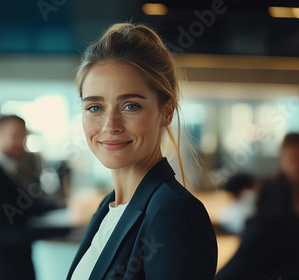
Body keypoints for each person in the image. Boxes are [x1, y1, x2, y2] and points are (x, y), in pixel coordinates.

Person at [66, 23, 218, 280]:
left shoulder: (176, 215)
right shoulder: (109, 207)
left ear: (166, 111)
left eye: (130, 106)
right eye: (95, 107)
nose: (110, 125)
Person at [0, 115, 66, 280]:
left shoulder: (10, 167)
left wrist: (64, 207)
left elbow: (26, 206)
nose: (20, 143)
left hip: (14, 267)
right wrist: (61, 230)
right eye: (15, 135)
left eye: (23, 137)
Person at [215, 133, 299, 280]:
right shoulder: (272, 191)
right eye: (292, 159)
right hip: (277, 262)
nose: (297, 165)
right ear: (281, 160)